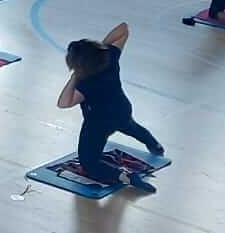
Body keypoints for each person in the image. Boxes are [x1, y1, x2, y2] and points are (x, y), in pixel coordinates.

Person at [57, 22, 165, 194]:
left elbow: (63, 103)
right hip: (122, 109)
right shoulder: (110, 57)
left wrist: (75, 76)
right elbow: (123, 29)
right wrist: (100, 50)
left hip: (99, 124)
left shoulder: (85, 82)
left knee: (89, 162)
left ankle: (126, 177)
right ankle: (154, 145)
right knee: (129, 125)